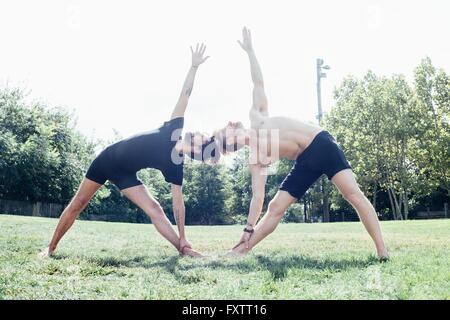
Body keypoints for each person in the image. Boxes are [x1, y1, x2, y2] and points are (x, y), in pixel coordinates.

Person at [217, 28, 389, 260]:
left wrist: (250, 51)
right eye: (227, 136)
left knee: (354, 195)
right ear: (233, 142)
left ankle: (382, 251)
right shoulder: (257, 158)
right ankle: (241, 251)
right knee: (275, 207)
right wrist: (248, 228)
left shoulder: (257, 117)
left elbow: (258, 81)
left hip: (320, 144)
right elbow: (257, 198)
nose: (230, 125)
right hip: (304, 162)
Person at [39, 43, 219, 259]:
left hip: (125, 174)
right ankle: (50, 249)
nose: (199, 132)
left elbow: (178, 204)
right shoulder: (174, 129)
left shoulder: (176, 164)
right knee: (78, 203)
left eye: (203, 137)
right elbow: (185, 94)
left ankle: (183, 249)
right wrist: (194, 67)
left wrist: (183, 236)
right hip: (107, 159)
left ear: (198, 147)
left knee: (154, 208)